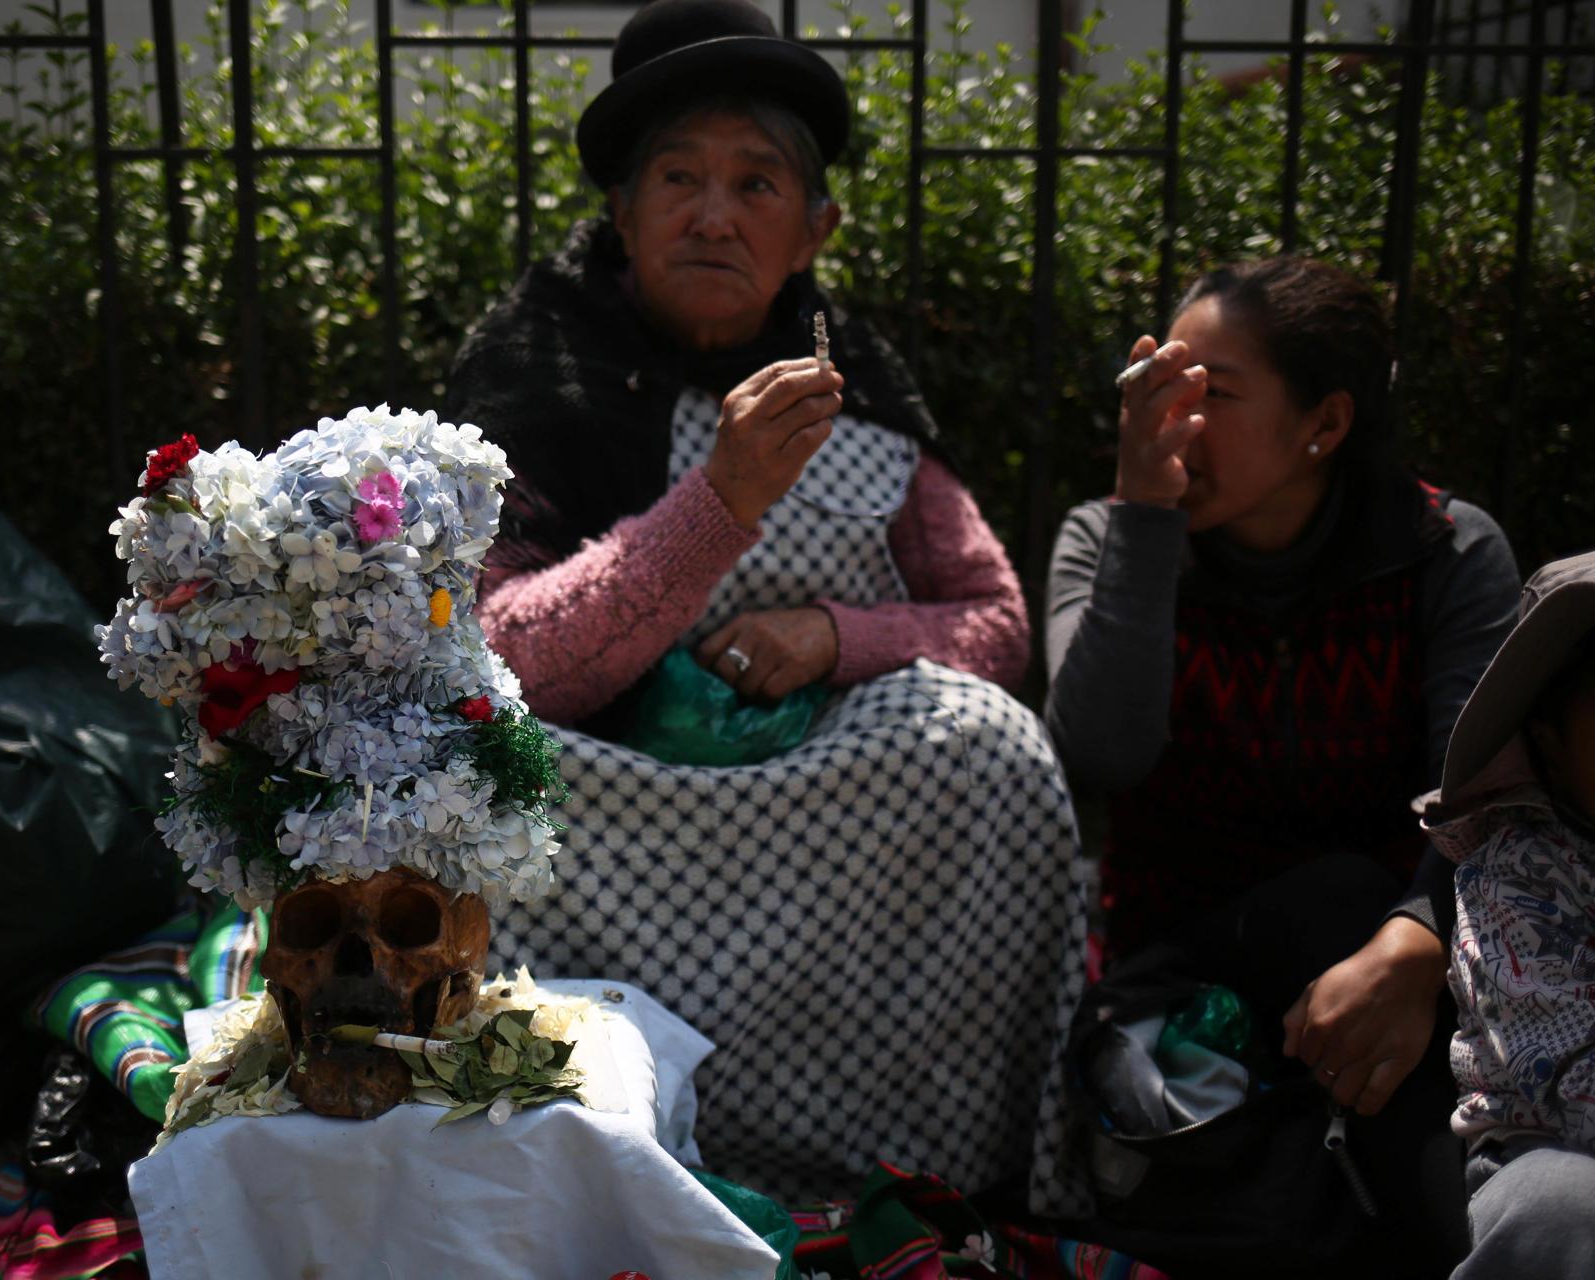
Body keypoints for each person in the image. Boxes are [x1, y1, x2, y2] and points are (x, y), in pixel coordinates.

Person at [445, 0, 1090, 1209]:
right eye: (678, 179)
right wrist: (718, 501)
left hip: (824, 800)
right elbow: (495, 659)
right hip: (611, 813)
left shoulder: (856, 392)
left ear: (813, 232)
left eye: (756, 184)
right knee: (478, 779)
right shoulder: (534, 377)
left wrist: (831, 638)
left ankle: (912, 1166)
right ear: (624, 215)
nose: (712, 214)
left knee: (992, 748)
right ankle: (595, 1156)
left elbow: (994, 621)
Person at [1044, 256, 1521, 1273]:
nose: (1170, 418)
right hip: (1188, 969)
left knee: (1369, 930)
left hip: (1405, 971)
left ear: (1326, 424)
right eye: (1155, 383)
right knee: (1342, 900)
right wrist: (1145, 519)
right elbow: (1103, 755)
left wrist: (1416, 935)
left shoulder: (1444, 552)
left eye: (1209, 392)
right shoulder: (1107, 539)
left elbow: (1483, 787)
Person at [1424, 552, 1595, 1280]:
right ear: (1550, 748)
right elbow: (1567, 1081)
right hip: (1544, 1154)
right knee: (1564, 1206)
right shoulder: (1519, 878)